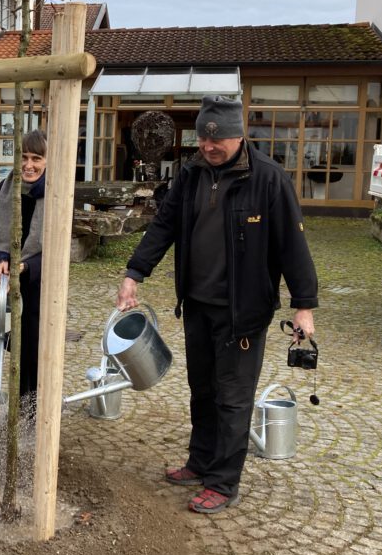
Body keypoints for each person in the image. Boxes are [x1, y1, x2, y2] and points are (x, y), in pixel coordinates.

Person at [116, 95, 318, 514]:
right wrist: (134, 273)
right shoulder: (191, 175)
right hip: (198, 304)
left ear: (239, 134)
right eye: (204, 139)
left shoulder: (268, 179)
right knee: (202, 389)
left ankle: (224, 483)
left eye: (218, 140)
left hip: (242, 312)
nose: (209, 147)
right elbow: (164, 226)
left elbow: (292, 247)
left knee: (233, 396)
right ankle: (201, 460)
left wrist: (304, 306)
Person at [0, 129, 47, 409]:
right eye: (23, 157)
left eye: (36, 158)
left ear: (48, 161)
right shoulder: (7, 188)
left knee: (36, 351)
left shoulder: (56, 195)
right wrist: (0, 259)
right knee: (17, 348)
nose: (28, 165)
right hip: (12, 284)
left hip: (41, 284)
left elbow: (57, 249)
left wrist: (26, 266)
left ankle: (34, 410)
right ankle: (20, 408)